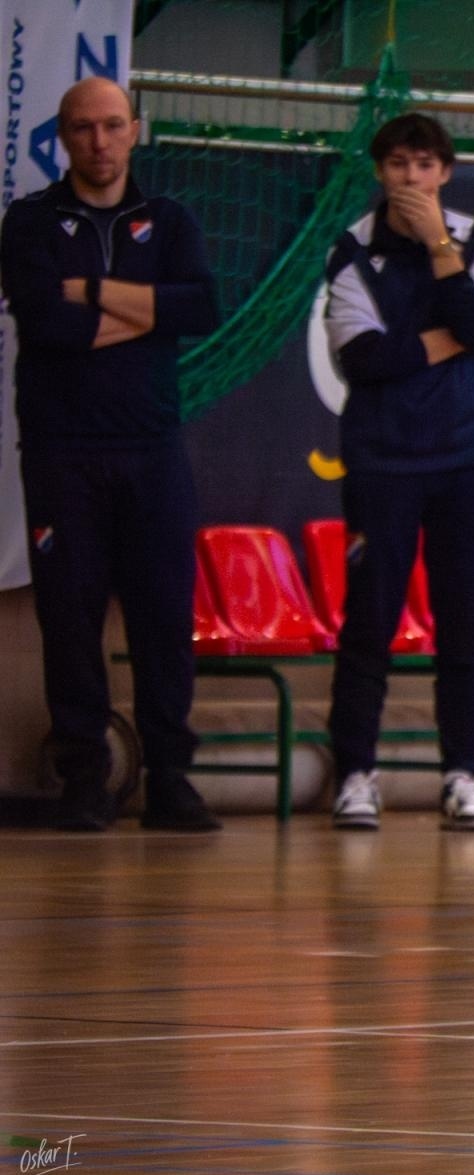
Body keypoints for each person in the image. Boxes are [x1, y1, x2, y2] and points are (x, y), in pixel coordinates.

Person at [1, 77, 222, 832]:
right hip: (63, 452)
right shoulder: (29, 222)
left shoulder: (170, 219)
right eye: (83, 128)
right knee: (70, 617)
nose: (99, 141)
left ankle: (170, 779)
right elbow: (48, 327)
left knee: (163, 617)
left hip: (151, 448)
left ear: (136, 130)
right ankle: (86, 779)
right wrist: (147, 310)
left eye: (112, 126)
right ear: (62, 137)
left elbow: (200, 308)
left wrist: (92, 291)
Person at [321, 113, 474, 832]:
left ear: (445, 173)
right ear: (379, 172)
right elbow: (366, 359)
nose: (411, 179)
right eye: (398, 165)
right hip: (383, 463)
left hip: (466, 459)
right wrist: (451, 342)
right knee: (369, 621)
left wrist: (438, 246)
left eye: (424, 165)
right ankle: (356, 777)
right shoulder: (352, 251)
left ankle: (461, 776)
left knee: (465, 623)